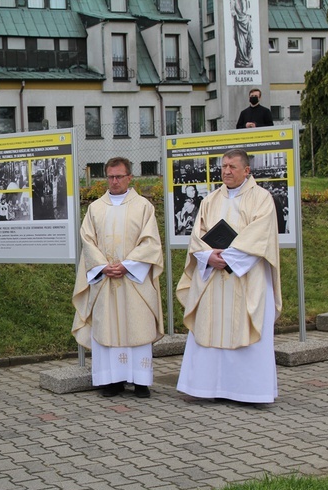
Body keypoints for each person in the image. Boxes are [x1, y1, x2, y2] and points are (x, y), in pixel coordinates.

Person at [176, 149, 282, 404]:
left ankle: (249, 392)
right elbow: (196, 236)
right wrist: (208, 256)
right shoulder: (210, 199)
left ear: (246, 170)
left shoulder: (262, 198)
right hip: (212, 276)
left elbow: (260, 234)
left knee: (245, 327)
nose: (226, 171)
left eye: (232, 167)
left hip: (247, 277)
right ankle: (207, 388)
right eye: (223, 166)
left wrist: (229, 259)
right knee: (209, 326)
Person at [71, 157, 164, 398]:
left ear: (129, 177)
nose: (114, 181)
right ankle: (111, 381)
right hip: (105, 281)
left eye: (119, 176)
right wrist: (102, 267)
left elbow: (151, 241)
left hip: (134, 281)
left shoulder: (143, 206)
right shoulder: (96, 208)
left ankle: (140, 380)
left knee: (138, 325)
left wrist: (128, 265)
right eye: (110, 177)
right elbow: (87, 240)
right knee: (107, 328)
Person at [230, 0, 253, 68]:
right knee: (240, 42)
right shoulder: (233, 1)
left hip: (246, 21)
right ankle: (242, 60)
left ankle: (247, 59)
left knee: (248, 41)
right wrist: (236, 15)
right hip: (239, 22)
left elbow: (248, 10)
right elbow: (232, 11)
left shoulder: (247, 1)